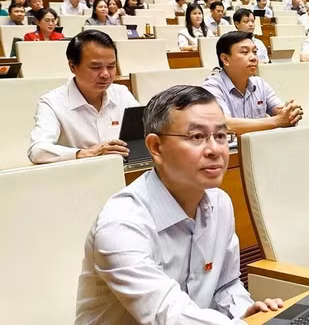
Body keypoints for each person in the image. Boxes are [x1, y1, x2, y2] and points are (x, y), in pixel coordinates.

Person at [75, 85, 284, 323]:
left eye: (221, 136)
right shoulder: (122, 224)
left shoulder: (219, 202)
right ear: (156, 147)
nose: (215, 150)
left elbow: (226, 285)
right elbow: (169, 316)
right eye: (197, 137)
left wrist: (246, 313)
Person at [28, 30, 139, 164]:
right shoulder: (52, 102)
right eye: (95, 67)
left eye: (111, 66)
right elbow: (37, 151)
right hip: (78, 178)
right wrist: (87, 153)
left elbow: (146, 132)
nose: (105, 74)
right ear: (73, 67)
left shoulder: (122, 93)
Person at [202, 31, 301, 134]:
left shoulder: (260, 84)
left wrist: (290, 114)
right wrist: (277, 121)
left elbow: (281, 112)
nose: (253, 58)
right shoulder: (211, 87)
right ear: (225, 59)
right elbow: (224, 124)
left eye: (255, 52)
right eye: (245, 52)